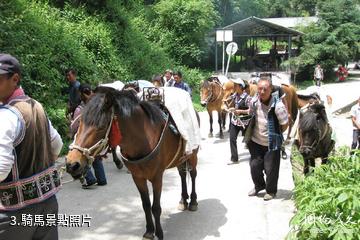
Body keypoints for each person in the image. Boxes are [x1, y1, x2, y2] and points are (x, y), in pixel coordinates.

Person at [0, 53, 63, 239]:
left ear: (15, 79)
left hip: (14, 214)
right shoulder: (37, 107)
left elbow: (1, 169)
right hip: (47, 204)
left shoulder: (6, 116)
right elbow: (57, 145)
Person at [244, 76, 289, 201]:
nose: (262, 92)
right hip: (256, 142)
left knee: (271, 169)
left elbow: (285, 123)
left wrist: (276, 134)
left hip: (271, 143)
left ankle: (271, 191)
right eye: (260, 89)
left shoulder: (278, 105)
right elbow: (251, 113)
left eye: (265, 89)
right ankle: (259, 185)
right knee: (254, 166)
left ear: (271, 90)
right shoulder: (254, 101)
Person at [71, 83, 107, 189]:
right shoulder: (98, 106)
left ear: (81, 94)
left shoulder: (80, 109)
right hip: (96, 137)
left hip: (83, 138)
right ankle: (102, 179)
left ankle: (90, 179)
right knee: (95, 156)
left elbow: (74, 127)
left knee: (82, 156)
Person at [227, 78, 251, 164]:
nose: (233, 86)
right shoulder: (234, 95)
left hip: (245, 122)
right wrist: (229, 108)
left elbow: (250, 111)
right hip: (235, 121)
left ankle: (254, 155)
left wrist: (240, 111)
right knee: (232, 139)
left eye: (235, 85)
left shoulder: (247, 98)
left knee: (249, 140)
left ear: (241, 87)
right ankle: (234, 158)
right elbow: (227, 102)